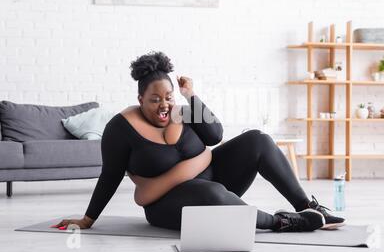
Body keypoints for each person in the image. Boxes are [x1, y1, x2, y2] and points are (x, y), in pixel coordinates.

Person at [53, 51, 345, 233]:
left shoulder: (182, 110)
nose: (163, 105)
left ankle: (307, 207)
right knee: (213, 193)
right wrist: (88, 219)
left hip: (215, 183)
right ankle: (281, 223)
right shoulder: (121, 128)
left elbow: (215, 135)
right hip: (170, 205)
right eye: (154, 100)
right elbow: (110, 176)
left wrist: (190, 96)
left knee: (258, 140)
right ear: (140, 99)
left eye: (168, 97)